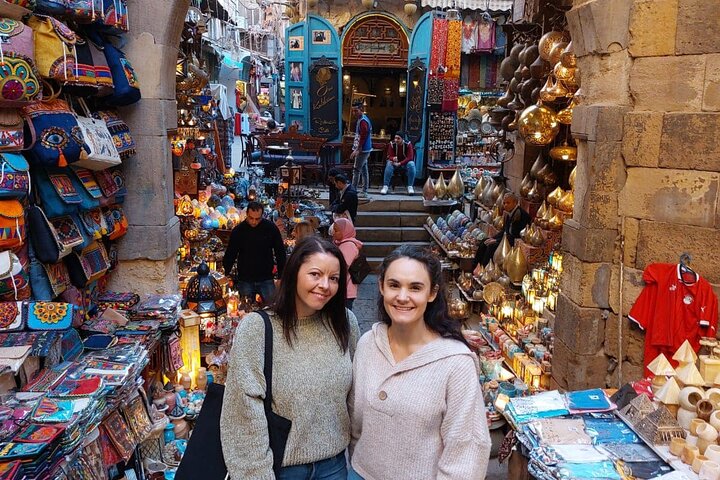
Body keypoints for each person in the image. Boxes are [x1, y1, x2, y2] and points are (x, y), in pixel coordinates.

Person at [221, 237, 360, 479]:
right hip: (280, 470)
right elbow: (242, 414)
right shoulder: (258, 329)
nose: (325, 285)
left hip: (334, 467)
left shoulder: (345, 323)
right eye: (315, 274)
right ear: (295, 272)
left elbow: (354, 399)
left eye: (334, 278)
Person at [348, 245, 491, 480]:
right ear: (381, 286)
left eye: (415, 288)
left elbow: (467, 449)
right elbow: (356, 420)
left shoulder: (455, 362)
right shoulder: (368, 344)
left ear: (432, 293)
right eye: (394, 285)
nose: (402, 297)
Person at [223, 201, 287, 304]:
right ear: (247, 214)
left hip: (266, 277)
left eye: (257, 219)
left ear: (262, 216)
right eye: (251, 218)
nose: (254, 222)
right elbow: (231, 254)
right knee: (245, 311)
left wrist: (281, 276)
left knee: (272, 309)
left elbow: (280, 252)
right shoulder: (239, 231)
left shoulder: (270, 229)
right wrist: (226, 273)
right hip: (245, 278)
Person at [473, 191, 530, 273]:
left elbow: (514, 235)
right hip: (506, 238)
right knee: (484, 241)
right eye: (504, 203)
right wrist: (492, 238)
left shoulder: (519, 214)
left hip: (514, 242)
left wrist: (496, 241)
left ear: (515, 203)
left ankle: (484, 270)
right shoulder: (510, 213)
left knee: (491, 246)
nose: (505, 205)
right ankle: (476, 266)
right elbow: (504, 231)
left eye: (508, 203)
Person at [333, 218, 362, 310]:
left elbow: (342, 267)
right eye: (333, 229)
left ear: (344, 231)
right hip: (343, 289)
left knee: (345, 317)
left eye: (336, 230)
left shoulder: (348, 246)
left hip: (345, 289)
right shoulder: (341, 244)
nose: (333, 232)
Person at [350, 101, 372, 198]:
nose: (354, 113)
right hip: (365, 148)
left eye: (356, 111)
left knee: (356, 169)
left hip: (363, 149)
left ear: (361, 109)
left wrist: (358, 149)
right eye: (353, 111)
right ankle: (364, 190)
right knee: (363, 169)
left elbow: (363, 136)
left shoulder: (363, 121)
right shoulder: (362, 119)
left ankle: (353, 190)